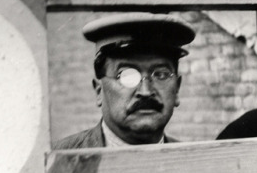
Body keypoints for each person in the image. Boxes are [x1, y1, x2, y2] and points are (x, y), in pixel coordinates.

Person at [53, 13, 196, 149]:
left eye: (161, 75)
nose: (145, 91)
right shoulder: (57, 162)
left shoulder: (195, 164)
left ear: (177, 90)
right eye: (127, 76)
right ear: (99, 91)